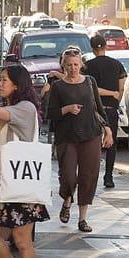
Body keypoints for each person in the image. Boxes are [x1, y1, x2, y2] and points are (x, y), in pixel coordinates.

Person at [0, 65, 49, 258]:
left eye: (4, 80)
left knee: (22, 241)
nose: (0, 84)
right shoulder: (8, 109)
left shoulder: (24, 108)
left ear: (17, 84)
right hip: (1, 182)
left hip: (21, 182)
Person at [45, 47, 113, 233]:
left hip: (90, 135)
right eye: (69, 65)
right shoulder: (58, 87)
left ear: (81, 64)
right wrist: (66, 109)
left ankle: (82, 218)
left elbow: (99, 108)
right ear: (63, 66)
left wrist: (107, 130)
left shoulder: (90, 82)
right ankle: (67, 200)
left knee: (88, 176)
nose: (73, 68)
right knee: (68, 176)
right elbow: (49, 113)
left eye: (76, 64)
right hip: (67, 137)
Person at [83, 34, 126, 188]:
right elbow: (121, 88)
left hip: (93, 110)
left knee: (92, 143)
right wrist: (115, 98)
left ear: (92, 48)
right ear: (106, 46)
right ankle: (108, 176)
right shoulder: (117, 65)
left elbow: (88, 88)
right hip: (111, 109)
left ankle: (90, 175)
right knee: (111, 144)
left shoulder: (87, 66)